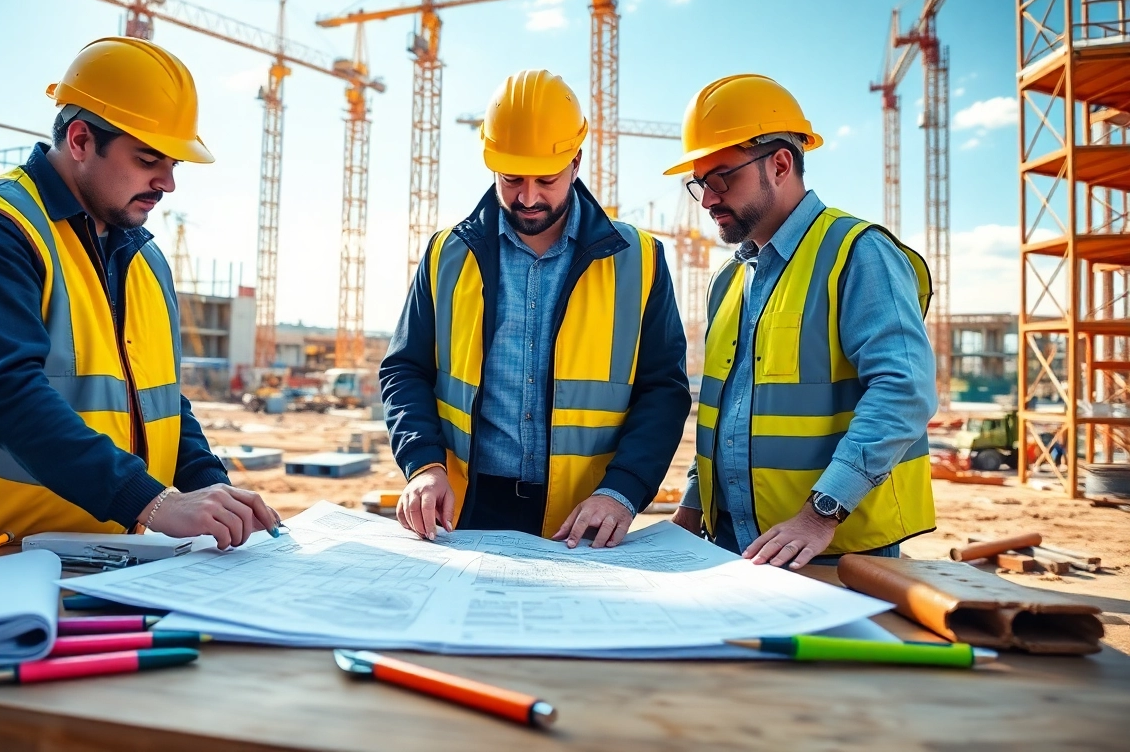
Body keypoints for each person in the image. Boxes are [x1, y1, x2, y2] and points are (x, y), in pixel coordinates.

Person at [0, 37, 278, 560]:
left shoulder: (140, 254)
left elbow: (158, 399)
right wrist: (154, 502)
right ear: (81, 140)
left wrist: (210, 484)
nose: (168, 182)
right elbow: (7, 395)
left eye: (175, 164)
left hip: (104, 538)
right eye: (147, 159)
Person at [380, 69, 689, 549]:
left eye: (546, 179)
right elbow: (405, 368)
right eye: (511, 178)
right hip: (464, 508)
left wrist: (623, 490)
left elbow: (663, 390)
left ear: (577, 161)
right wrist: (423, 464)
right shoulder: (447, 254)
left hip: (585, 518)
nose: (527, 196)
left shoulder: (639, 260)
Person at [667, 74, 937, 569]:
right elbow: (728, 413)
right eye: (700, 184)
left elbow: (905, 390)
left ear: (781, 164)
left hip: (833, 552)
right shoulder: (728, 282)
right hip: (731, 547)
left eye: (722, 178)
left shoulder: (857, 254)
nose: (708, 200)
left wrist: (820, 513)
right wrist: (690, 505)